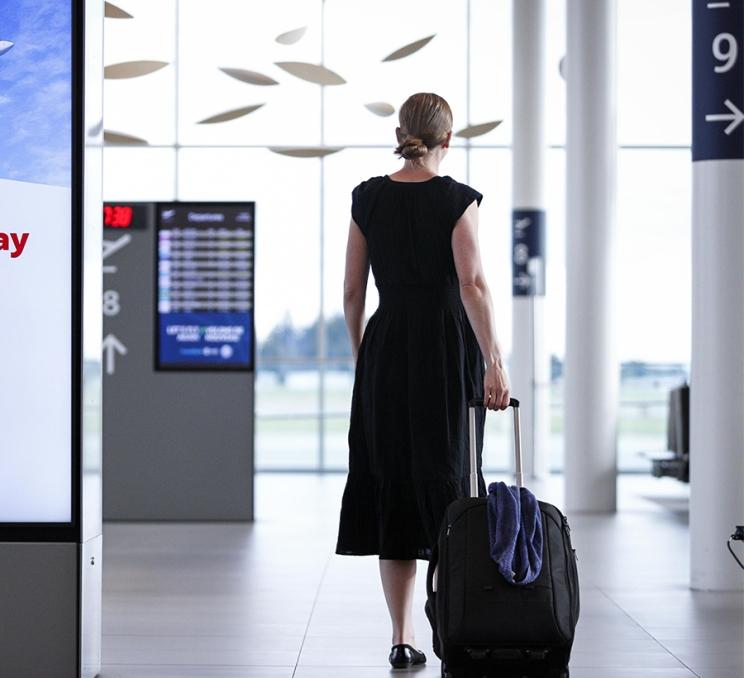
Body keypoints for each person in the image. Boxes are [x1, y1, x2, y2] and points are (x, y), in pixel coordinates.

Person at [334, 92, 510, 669]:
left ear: (401, 131)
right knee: (450, 480)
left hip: (387, 348)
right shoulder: (458, 200)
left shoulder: (368, 197)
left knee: (395, 489)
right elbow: (471, 285)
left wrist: (365, 356)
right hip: (444, 348)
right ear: (448, 140)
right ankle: (455, 624)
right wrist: (494, 360)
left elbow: (353, 293)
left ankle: (401, 636)